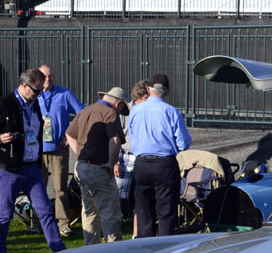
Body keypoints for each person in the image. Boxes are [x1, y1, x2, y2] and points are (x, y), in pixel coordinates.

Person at [0, 68, 67, 253]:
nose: (39, 94)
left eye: (40, 91)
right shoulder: (5, 103)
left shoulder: (35, 103)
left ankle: (59, 250)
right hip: (9, 168)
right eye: (36, 90)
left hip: (32, 168)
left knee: (45, 209)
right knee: (5, 212)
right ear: (24, 85)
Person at [126, 74, 190, 237]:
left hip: (142, 163)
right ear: (167, 91)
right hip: (165, 164)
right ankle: (164, 249)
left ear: (148, 89)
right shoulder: (171, 111)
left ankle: (145, 248)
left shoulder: (136, 111)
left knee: (143, 210)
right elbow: (183, 143)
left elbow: (132, 137)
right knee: (166, 211)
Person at [65, 86, 126, 244]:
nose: (120, 113)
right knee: (110, 212)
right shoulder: (110, 113)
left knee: (89, 210)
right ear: (118, 104)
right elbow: (115, 140)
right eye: (122, 109)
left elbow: (69, 134)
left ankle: (90, 248)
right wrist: (111, 163)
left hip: (81, 166)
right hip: (98, 168)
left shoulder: (86, 110)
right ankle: (113, 251)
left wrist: (79, 153)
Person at [37, 64, 84, 237]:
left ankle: (63, 223)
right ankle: (37, 222)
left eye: (51, 76)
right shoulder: (33, 95)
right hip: (37, 150)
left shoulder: (64, 94)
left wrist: (70, 134)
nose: (48, 80)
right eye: (44, 76)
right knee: (38, 188)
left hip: (58, 149)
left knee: (60, 188)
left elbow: (82, 113)